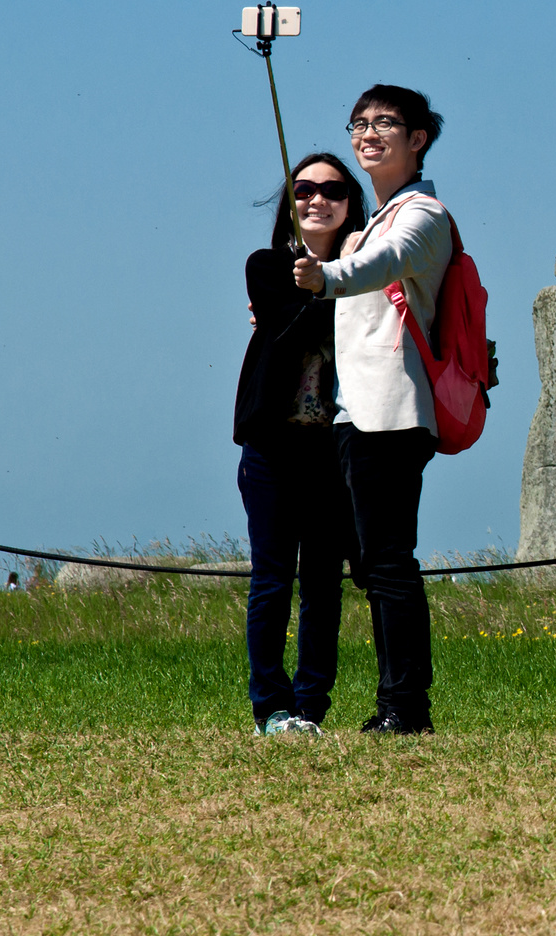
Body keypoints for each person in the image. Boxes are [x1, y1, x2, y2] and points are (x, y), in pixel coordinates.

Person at [294, 85, 451, 735]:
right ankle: (395, 702)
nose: (368, 133)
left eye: (385, 123)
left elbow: (383, 265)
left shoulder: (421, 215)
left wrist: (328, 277)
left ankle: (406, 707)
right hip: (355, 417)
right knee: (373, 566)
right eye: (359, 123)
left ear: (418, 139)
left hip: (389, 413)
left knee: (387, 564)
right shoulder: (377, 218)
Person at [235, 152, 367, 736]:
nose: (317, 199)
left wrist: (335, 281)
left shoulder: (367, 269)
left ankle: (311, 706)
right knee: (271, 580)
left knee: (322, 585)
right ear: (289, 202)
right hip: (271, 449)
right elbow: (292, 327)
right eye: (304, 189)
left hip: (332, 450)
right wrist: (325, 293)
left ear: (350, 203)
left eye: (333, 190)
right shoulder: (267, 265)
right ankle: (272, 707)